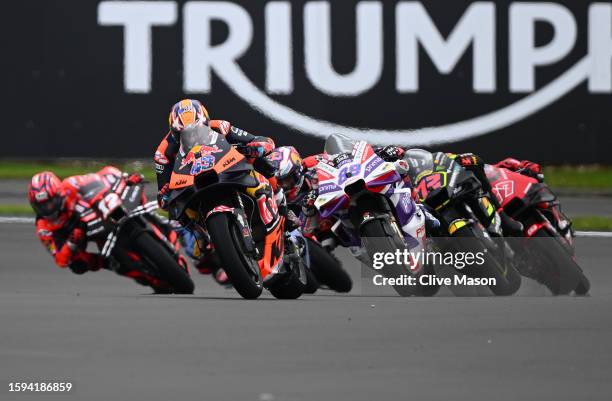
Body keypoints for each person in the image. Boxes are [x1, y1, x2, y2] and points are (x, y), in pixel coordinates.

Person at [28, 168, 182, 290]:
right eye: (41, 206)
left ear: (59, 194)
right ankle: (143, 276)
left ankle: (166, 232)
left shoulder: (70, 185)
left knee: (129, 191)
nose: (47, 209)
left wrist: (124, 180)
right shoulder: (43, 227)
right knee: (79, 265)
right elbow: (60, 259)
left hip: (101, 214)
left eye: (50, 202)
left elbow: (98, 179)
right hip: (86, 235)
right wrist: (72, 242)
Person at [154, 99, 275, 210]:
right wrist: (165, 193)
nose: (192, 137)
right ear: (174, 132)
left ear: (206, 122)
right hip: (192, 188)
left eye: (197, 130)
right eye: (183, 134)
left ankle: (280, 201)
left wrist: (258, 146)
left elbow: (258, 140)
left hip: (226, 171)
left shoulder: (220, 126)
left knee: (261, 162)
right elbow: (163, 203)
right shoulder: (163, 153)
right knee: (177, 215)